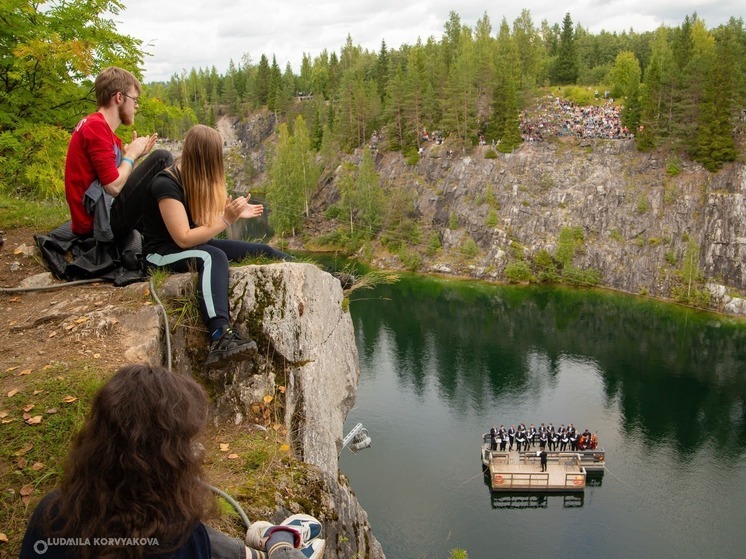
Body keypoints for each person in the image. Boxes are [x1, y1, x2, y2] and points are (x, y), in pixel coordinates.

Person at [19, 364, 325, 559]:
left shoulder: (51, 512)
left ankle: (265, 547)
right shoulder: (177, 537)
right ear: (164, 456)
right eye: (186, 441)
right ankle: (279, 549)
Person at [142, 124, 292, 368]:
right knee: (212, 257)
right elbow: (183, 238)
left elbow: (202, 223)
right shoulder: (165, 184)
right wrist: (225, 219)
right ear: (207, 158)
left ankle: (326, 276)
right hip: (160, 254)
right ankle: (219, 334)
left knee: (262, 251)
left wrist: (231, 214)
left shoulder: (195, 179)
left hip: (190, 244)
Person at [65, 66, 173, 243]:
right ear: (119, 97)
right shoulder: (96, 127)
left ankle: (171, 231)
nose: (136, 106)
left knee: (157, 164)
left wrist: (135, 157)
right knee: (161, 159)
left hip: (100, 215)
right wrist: (130, 156)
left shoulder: (102, 130)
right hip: (98, 225)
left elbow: (118, 183)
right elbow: (114, 187)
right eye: (134, 100)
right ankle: (178, 233)